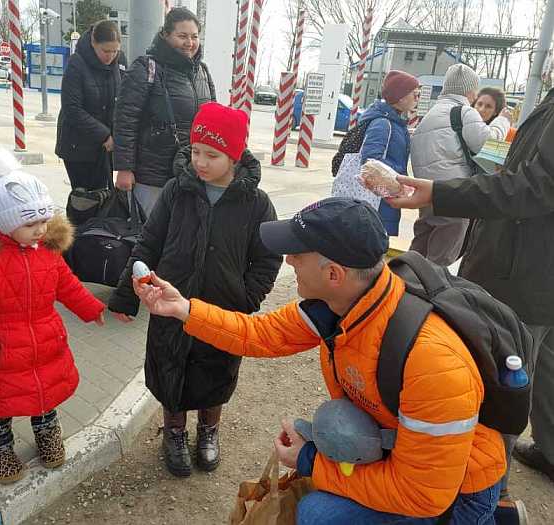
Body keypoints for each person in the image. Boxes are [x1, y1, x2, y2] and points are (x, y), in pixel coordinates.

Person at [132, 198, 507, 524]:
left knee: (316, 514)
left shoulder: (432, 363)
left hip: (456, 494)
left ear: (333, 274)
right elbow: (257, 334)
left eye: (298, 252)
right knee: (332, 437)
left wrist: (311, 461)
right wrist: (182, 309)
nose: (288, 259)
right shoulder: (343, 304)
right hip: (399, 451)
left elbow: (423, 495)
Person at [389, 86, 554, 525]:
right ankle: (548, 451)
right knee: (541, 364)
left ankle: (487, 498)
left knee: (504, 382)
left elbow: (536, 186)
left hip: (523, 275)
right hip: (529, 269)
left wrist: (440, 194)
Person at [108, 102, 282, 477]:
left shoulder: (256, 203)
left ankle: (208, 431)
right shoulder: (177, 191)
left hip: (223, 311)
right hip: (171, 307)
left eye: (212, 155)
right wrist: (127, 292)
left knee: (215, 374)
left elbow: (268, 258)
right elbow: (148, 243)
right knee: (170, 371)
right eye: (196, 151)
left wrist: (246, 298)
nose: (200, 162)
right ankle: (173, 432)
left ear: (234, 155)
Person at [0, 147, 106, 484]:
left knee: (45, 396)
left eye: (44, 220)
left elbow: (67, 286)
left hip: (46, 341)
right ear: (5, 221)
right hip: (0, 347)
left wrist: (93, 309)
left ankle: (46, 434)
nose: (41, 229)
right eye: (30, 223)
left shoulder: (48, 251)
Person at [113, 7, 216, 217]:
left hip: (191, 172)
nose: (189, 43)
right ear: (166, 35)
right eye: (182, 36)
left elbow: (213, 118)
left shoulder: (202, 72)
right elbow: (125, 121)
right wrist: (124, 168)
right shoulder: (146, 68)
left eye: (194, 36)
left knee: (183, 235)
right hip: (153, 175)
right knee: (151, 234)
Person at [409, 64, 512, 266]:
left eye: (488, 106)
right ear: (470, 91)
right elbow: (489, 145)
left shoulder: (431, 114)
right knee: (440, 260)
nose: (480, 108)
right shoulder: (464, 112)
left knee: (419, 251)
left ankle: (404, 287)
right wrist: (503, 122)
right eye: (479, 102)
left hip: (427, 192)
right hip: (453, 194)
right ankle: (428, 293)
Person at [55, 20, 125, 191]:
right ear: (93, 43)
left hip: (106, 146)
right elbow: (72, 108)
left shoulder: (119, 62)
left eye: (115, 51)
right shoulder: (77, 64)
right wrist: (104, 134)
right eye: (105, 51)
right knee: (85, 201)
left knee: (104, 197)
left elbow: (123, 101)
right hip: (79, 146)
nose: (110, 56)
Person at [358, 70, 419, 237]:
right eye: (415, 94)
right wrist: (400, 179)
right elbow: (370, 162)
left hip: (382, 198)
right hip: (378, 201)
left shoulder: (393, 122)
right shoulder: (383, 123)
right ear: (401, 96)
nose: (417, 98)